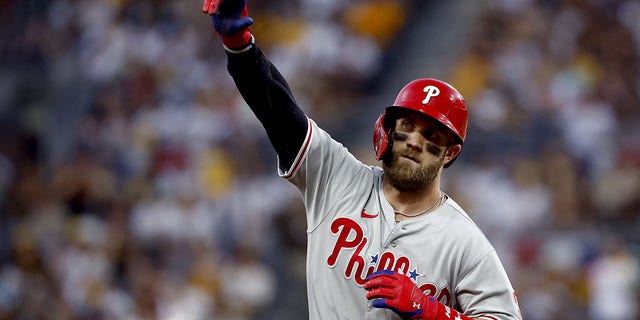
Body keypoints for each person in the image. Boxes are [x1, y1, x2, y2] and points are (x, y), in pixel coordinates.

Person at [202, 0, 522, 319]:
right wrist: (241, 47)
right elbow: (279, 113)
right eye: (408, 126)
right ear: (389, 131)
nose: (414, 141)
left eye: (432, 136)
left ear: (450, 152)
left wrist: (431, 311)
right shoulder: (339, 179)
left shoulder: (463, 241)